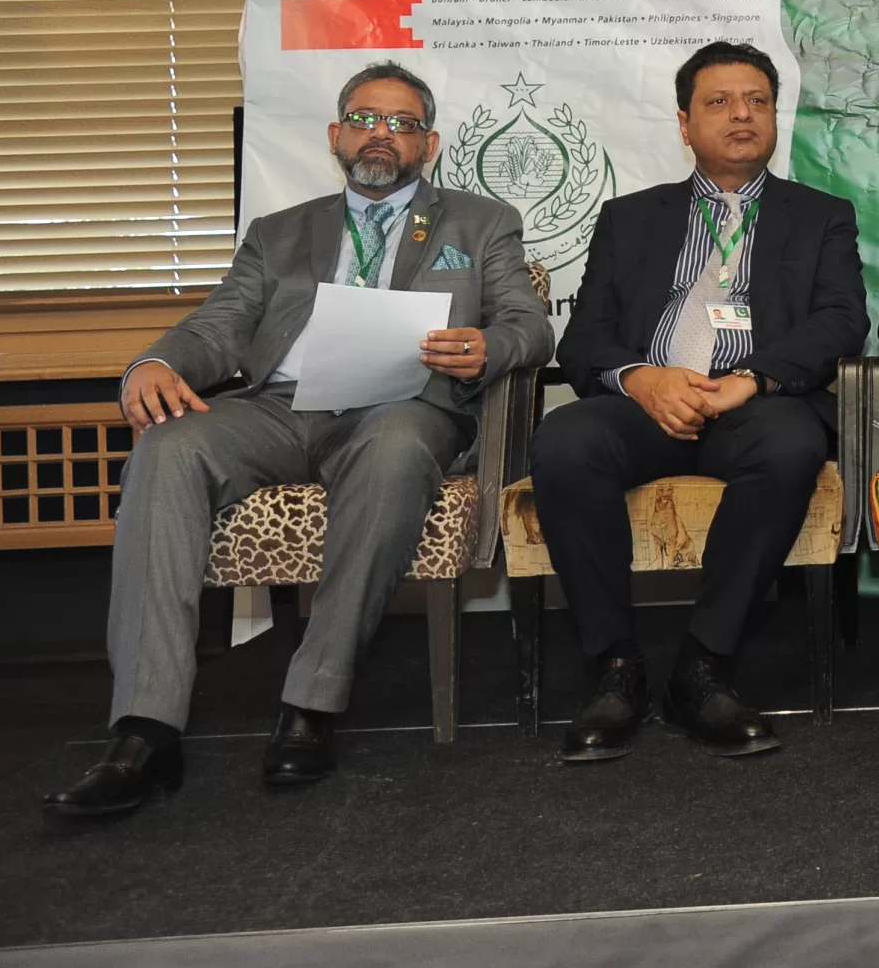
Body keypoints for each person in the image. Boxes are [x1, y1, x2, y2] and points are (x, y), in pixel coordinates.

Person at [44, 63, 551, 817]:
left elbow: (529, 325)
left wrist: (488, 347)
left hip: (402, 406)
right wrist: (155, 363)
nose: (381, 133)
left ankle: (311, 702)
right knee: (167, 445)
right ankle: (145, 730)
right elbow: (219, 327)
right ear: (336, 135)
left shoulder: (481, 223)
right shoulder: (279, 233)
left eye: (403, 123)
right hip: (281, 407)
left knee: (393, 446)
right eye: (365, 118)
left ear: (430, 144)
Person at [534, 41, 868, 761]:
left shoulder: (821, 215)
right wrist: (643, 378)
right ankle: (616, 667)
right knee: (564, 440)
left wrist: (755, 376)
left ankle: (703, 664)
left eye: (757, 101)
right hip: (649, 405)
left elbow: (842, 319)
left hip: (755, 404)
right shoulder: (630, 217)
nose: (742, 114)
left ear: (774, 116)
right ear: (684, 124)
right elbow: (584, 337)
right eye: (719, 102)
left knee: (791, 441)